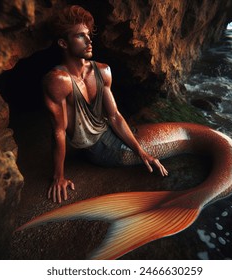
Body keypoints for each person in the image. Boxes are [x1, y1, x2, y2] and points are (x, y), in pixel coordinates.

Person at [43, 5, 168, 203]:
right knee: (163, 147)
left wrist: (141, 152)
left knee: (151, 149)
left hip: (109, 130)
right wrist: (59, 176)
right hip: (98, 150)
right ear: (63, 43)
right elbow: (58, 131)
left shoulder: (102, 71)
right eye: (80, 36)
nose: (89, 40)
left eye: (88, 35)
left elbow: (114, 116)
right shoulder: (58, 80)